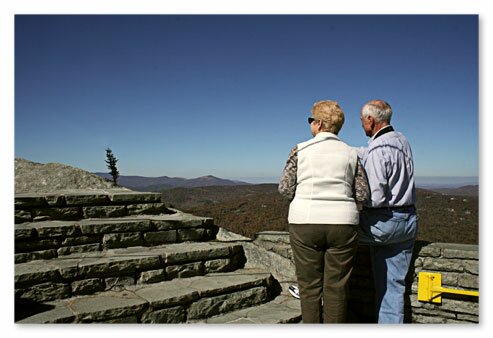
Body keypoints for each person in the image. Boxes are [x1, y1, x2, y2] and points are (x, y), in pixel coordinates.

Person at [279, 100, 369, 323]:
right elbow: (363, 194)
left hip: (305, 223)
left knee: (309, 288)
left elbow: (285, 188)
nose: (310, 123)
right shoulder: (351, 153)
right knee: (337, 289)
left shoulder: (300, 150)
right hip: (343, 224)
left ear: (318, 124)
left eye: (310, 120)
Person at [357, 99, 418, 324]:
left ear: (371, 120)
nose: (361, 125)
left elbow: (376, 197)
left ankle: (317, 292)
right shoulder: (401, 140)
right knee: (392, 287)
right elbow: (370, 151)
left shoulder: (377, 150)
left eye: (362, 120)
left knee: (333, 236)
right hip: (408, 220)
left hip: (383, 222)